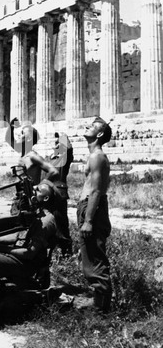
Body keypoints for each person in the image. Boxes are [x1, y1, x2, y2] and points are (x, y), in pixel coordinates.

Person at [76, 116, 112, 312]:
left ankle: (101, 309)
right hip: (89, 207)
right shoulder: (94, 156)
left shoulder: (97, 156)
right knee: (90, 256)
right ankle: (98, 303)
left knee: (95, 257)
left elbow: (97, 190)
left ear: (99, 134)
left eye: (91, 126)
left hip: (93, 210)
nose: (86, 126)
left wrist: (88, 220)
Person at [42, 132, 74, 256]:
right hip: (47, 196)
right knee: (48, 223)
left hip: (58, 196)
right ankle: (52, 252)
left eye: (58, 144)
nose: (56, 146)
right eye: (55, 144)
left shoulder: (64, 159)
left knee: (61, 225)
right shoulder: (48, 159)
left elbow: (69, 148)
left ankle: (66, 252)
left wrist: (63, 137)